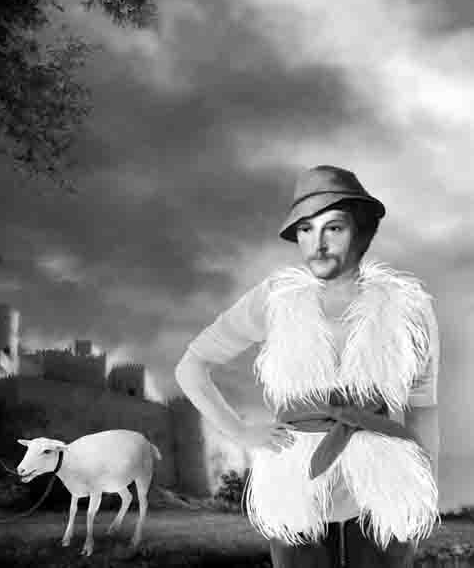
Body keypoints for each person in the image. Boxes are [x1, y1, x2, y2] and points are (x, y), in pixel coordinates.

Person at [175, 165, 440, 567]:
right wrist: (241, 431)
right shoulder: (275, 299)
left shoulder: (409, 307)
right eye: (305, 229)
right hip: (295, 487)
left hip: (383, 487)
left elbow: (422, 406)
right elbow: (192, 365)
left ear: (361, 230)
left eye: (333, 227)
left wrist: (420, 491)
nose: (317, 243)